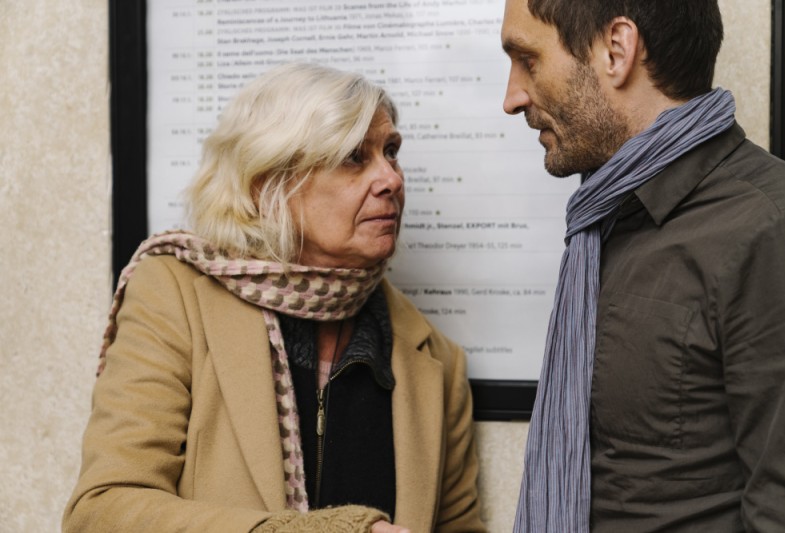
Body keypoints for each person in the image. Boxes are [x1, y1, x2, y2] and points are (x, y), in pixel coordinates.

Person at [63, 62, 485, 533]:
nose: (391, 179)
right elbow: (102, 511)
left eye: (391, 152)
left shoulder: (434, 358)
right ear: (268, 186)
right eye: (353, 157)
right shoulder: (174, 296)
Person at [501, 0, 785, 531]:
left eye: (528, 59)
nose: (512, 97)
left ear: (617, 51)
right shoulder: (606, 218)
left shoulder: (774, 228)